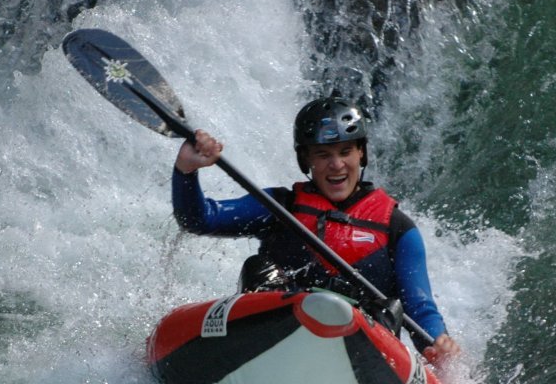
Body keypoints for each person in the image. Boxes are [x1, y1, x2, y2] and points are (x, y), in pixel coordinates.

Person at [172, 96, 460, 363]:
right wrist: (187, 170)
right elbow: (198, 220)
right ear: (306, 160)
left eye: (346, 151)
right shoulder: (281, 207)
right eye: (322, 155)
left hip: (361, 351)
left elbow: (419, 308)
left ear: (361, 153)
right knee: (259, 269)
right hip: (276, 338)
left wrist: (438, 344)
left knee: (388, 310)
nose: (336, 165)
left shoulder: (397, 229)